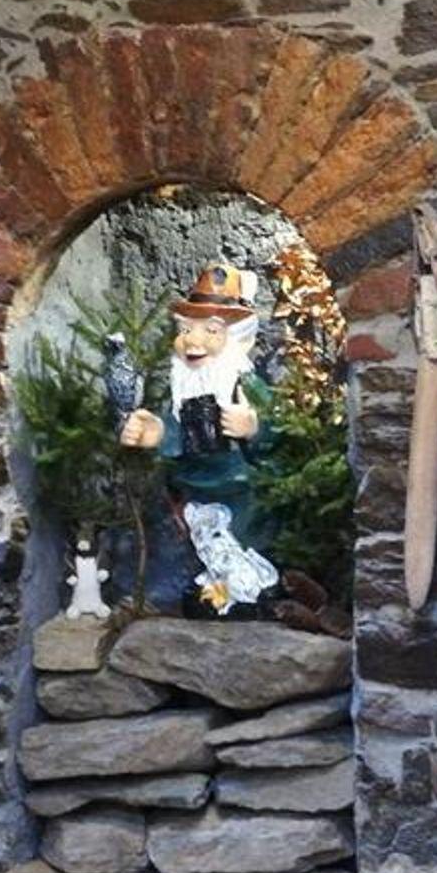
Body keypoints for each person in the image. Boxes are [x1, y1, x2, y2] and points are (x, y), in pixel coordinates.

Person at [118, 262, 281, 614]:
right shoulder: (183, 388)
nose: (193, 341)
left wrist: (254, 426)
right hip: (195, 495)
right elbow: (177, 429)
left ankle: (246, 599)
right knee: (208, 554)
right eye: (186, 329)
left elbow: (279, 434)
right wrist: (158, 432)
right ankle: (216, 597)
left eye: (211, 330)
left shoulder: (247, 385)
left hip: (242, 497)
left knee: (239, 554)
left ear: (239, 339)